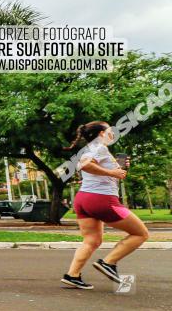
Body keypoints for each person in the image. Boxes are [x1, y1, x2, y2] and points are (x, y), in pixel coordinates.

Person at [61, 121, 149, 289]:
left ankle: (72, 275)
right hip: (102, 200)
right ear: (101, 133)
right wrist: (112, 172)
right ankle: (109, 263)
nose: (113, 132)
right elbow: (85, 165)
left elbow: (93, 167)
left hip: (83, 199)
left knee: (91, 240)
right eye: (110, 129)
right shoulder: (98, 147)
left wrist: (118, 166)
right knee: (141, 234)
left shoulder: (91, 149)